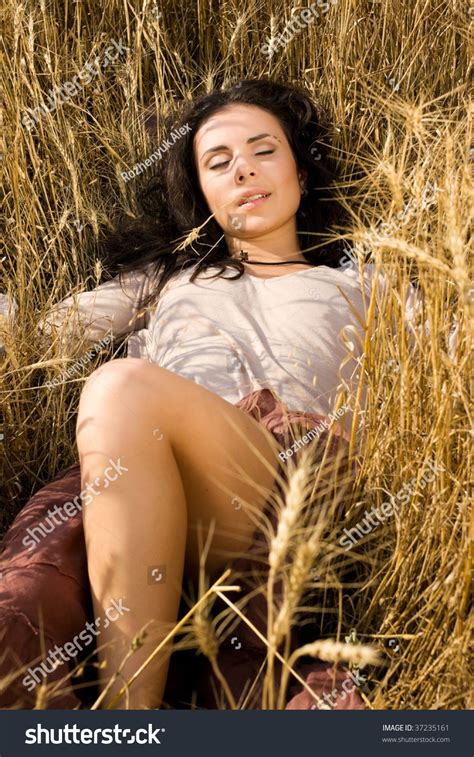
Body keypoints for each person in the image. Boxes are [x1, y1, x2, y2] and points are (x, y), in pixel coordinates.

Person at [4, 79, 449, 710]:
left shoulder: (368, 282)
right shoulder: (166, 281)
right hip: (138, 481)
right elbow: (35, 331)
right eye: (218, 162)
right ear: (203, 192)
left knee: (121, 386)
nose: (243, 168)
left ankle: (127, 719)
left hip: (285, 480)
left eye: (263, 150)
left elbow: (454, 360)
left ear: (299, 165)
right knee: (116, 408)